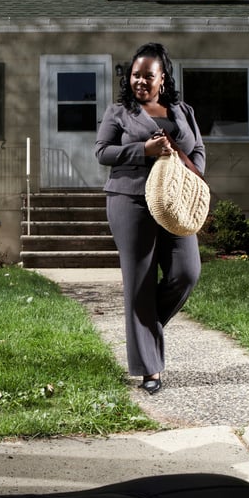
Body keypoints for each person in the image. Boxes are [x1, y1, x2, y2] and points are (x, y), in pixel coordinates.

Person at [95, 42, 205, 396]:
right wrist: (144, 150)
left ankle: (147, 328)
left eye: (148, 76)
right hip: (130, 201)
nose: (140, 81)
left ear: (163, 78)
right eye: (135, 75)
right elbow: (103, 152)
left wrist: (189, 175)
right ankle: (149, 369)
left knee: (187, 272)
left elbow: (198, 149)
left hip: (175, 202)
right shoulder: (118, 112)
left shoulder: (181, 110)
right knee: (140, 282)